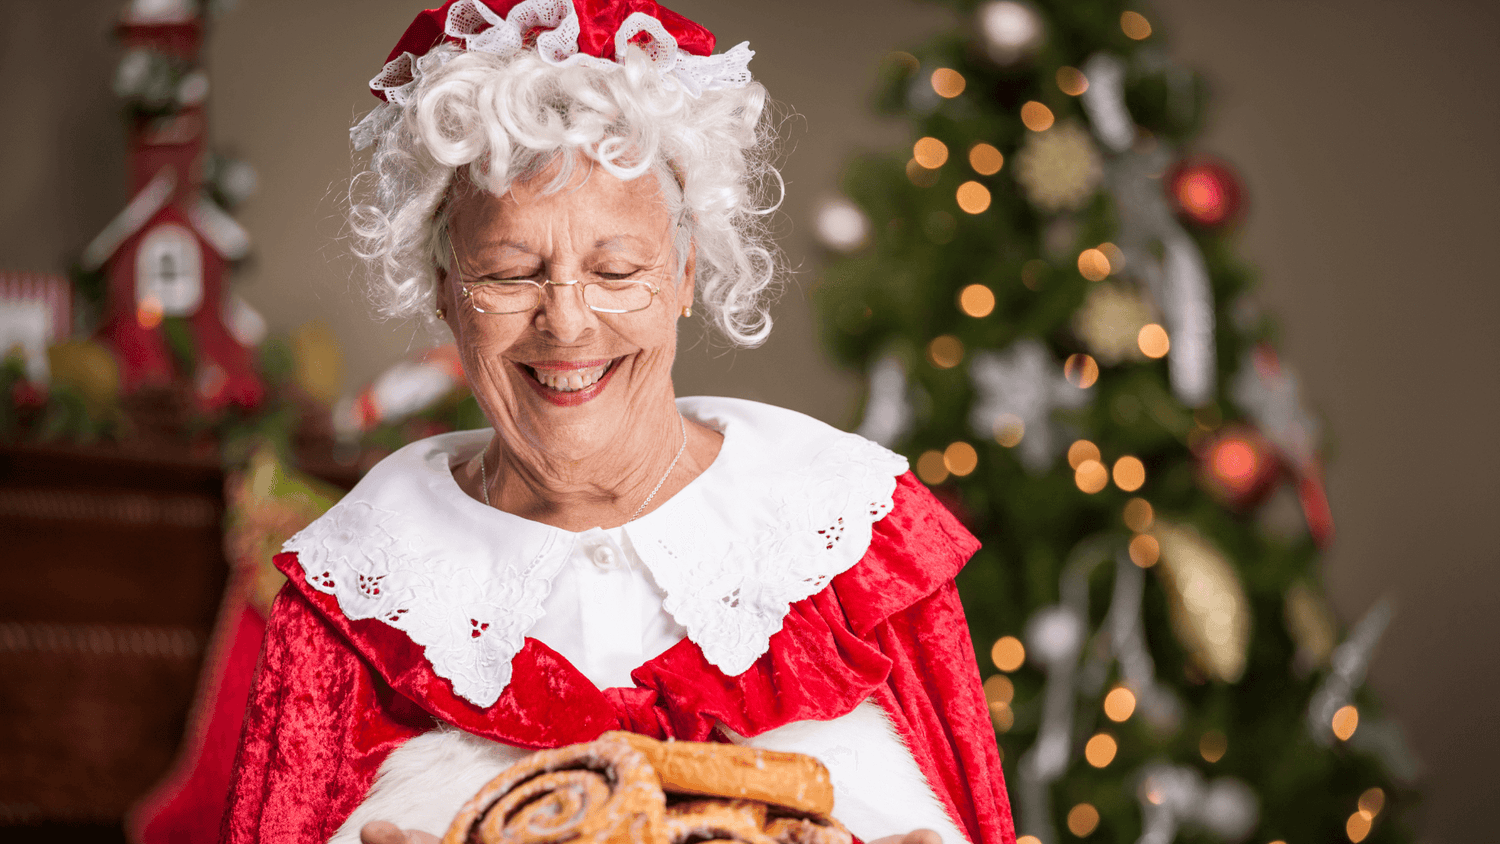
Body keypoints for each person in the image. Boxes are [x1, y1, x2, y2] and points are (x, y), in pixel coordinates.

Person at [223, 2, 1016, 843]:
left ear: (684, 274)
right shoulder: (356, 599)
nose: (566, 324)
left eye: (616, 269)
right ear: (445, 292)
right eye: (509, 272)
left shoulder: (860, 545)